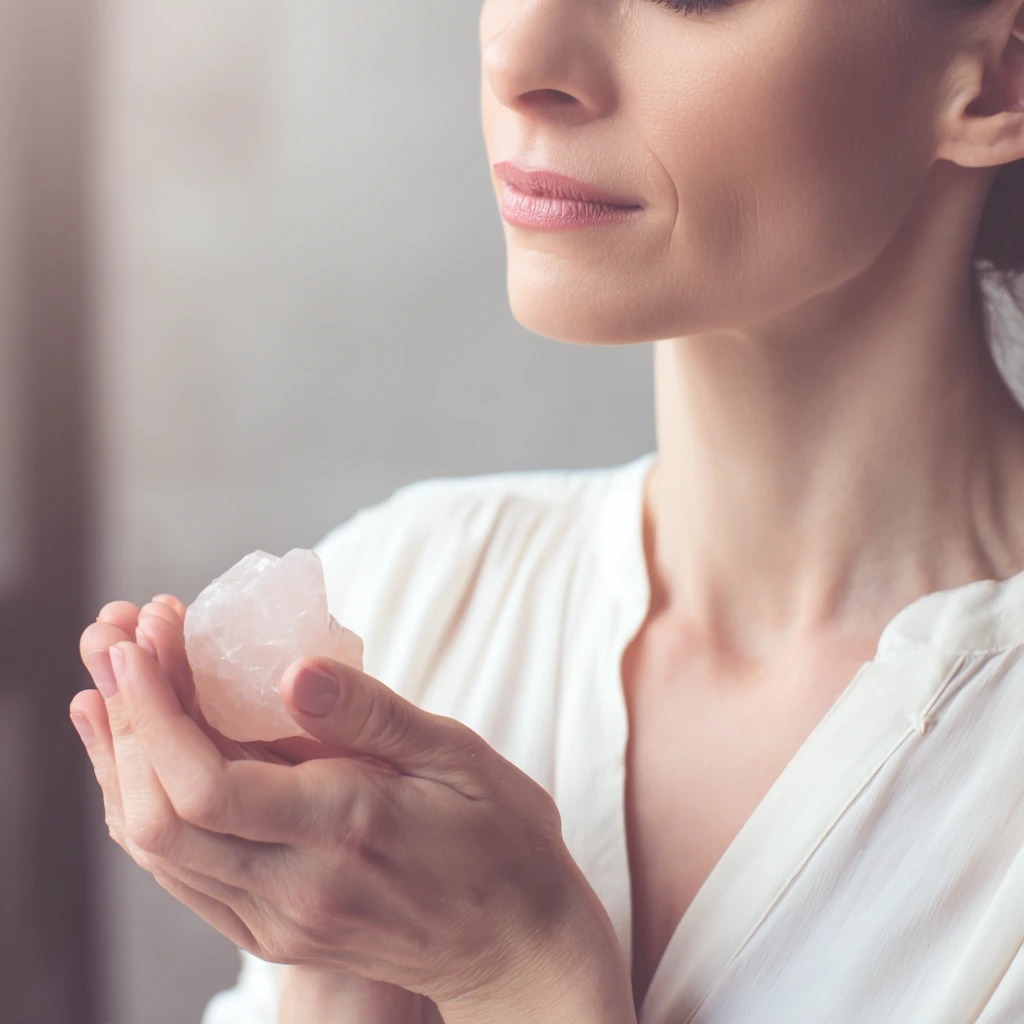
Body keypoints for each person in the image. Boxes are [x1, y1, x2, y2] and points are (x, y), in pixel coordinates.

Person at [71, 0, 1024, 1020]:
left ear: (997, 77)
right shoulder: (408, 594)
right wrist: (340, 963)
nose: (517, 54)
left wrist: (518, 966)